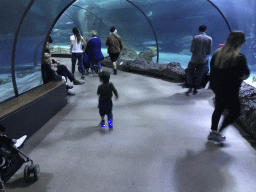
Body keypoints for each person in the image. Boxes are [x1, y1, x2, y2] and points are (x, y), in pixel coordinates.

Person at [208, 31, 250, 142]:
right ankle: (219, 132)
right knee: (235, 112)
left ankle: (213, 131)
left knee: (218, 108)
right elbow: (245, 74)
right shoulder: (239, 58)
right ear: (239, 42)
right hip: (231, 90)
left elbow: (212, 71)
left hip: (218, 88)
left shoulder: (217, 53)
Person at [186, 25, 212, 95]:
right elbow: (209, 52)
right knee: (199, 75)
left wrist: (196, 53)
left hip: (194, 59)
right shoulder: (209, 39)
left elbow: (191, 49)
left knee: (189, 72)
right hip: (202, 60)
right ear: (205, 30)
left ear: (199, 30)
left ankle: (190, 88)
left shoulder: (196, 37)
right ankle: (195, 90)